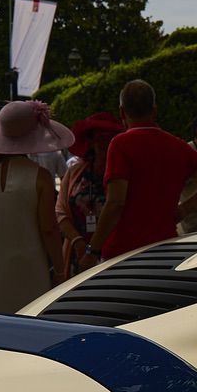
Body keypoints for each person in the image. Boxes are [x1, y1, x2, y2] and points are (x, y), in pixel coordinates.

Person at [81, 80, 197, 270]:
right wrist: (184, 209)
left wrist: (92, 250)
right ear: (155, 110)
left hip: (123, 253)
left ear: (122, 112)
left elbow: (116, 203)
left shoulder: (120, 145)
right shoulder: (177, 145)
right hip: (165, 248)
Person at [0, 100, 69, 313]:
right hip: (28, 265)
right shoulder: (40, 176)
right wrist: (60, 270)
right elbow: (49, 229)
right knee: (28, 320)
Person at [56, 112, 123, 278]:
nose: (104, 142)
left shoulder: (123, 174)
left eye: (109, 137)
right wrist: (77, 242)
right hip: (78, 254)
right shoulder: (74, 172)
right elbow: (60, 212)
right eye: (99, 137)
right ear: (90, 141)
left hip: (115, 254)